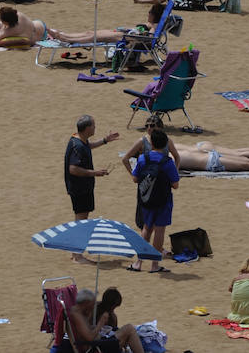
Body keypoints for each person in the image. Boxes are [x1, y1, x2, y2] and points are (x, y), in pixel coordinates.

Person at [129, 128, 179, 273]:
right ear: (165, 145)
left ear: (151, 143)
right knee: (159, 231)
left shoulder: (143, 158)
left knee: (146, 228)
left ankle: (138, 263)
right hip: (163, 201)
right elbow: (175, 185)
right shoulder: (168, 162)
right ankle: (155, 265)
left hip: (146, 199)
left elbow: (135, 178)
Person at [64, 115, 120, 235]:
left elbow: (88, 146)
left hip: (83, 187)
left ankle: (78, 245)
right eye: (93, 125)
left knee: (83, 216)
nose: (95, 127)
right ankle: (77, 246)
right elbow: (73, 169)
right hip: (79, 188)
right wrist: (95, 173)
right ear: (87, 128)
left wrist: (105, 140)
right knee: (81, 219)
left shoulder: (78, 138)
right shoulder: (78, 146)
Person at [65, 288, 145, 353]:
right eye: (92, 304)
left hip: (97, 342)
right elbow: (90, 338)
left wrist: (95, 327)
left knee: (127, 332)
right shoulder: (78, 316)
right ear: (85, 303)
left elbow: (86, 332)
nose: (93, 306)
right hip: (95, 347)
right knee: (129, 329)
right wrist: (101, 323)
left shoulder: (79, 312)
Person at [47, 3, 165, 46]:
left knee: (94, 37)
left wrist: (138, 33)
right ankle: (65, 35)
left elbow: (150, 38)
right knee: (90, 32)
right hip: (122, 33)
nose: (148, 13)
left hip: (124, 38)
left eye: (150, 12)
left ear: (154, 15)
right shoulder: (150, 23)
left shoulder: (154, 26)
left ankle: (65, 38)